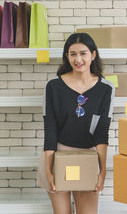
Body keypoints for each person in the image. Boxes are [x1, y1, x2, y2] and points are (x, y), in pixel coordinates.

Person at [37, 32, 114, 214]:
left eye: (83, 53)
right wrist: (49, 169)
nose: (78, 59)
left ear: (93, 55)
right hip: (58, 156)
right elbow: (50, 128)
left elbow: (102, 131)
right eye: (72, 54)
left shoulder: (106, 88)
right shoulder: (53, 87)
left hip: (87, 157)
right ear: (67, 57)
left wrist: (102, 171)